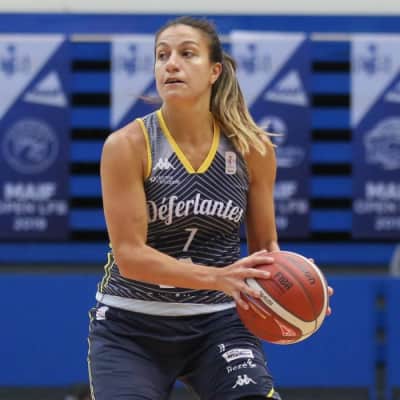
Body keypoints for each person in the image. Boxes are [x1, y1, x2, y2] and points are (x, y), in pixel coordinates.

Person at [88, 16, 332, 400]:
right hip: (131, 326)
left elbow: (265, 249)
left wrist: (298, 284)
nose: (171, 64)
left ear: (214, 71)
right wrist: (218, 277)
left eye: (187, 54)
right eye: (162, 55)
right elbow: (130, 256)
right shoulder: (128, 145)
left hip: (218, 324)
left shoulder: (252, 148)